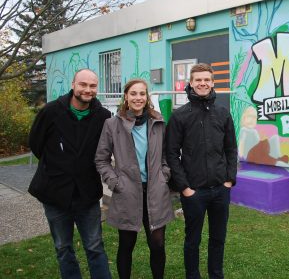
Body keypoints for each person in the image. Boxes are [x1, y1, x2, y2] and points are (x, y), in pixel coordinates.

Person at [28, 68, 112, 279]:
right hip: (55, 193)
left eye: (92, 86)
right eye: (83, 84)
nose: (88, 89)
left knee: (94, 246)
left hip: (87, 194)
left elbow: (107, 149)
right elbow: (36, 144)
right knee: (63, 248)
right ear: (73, 85)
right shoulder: (50, 112)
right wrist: (59, 165)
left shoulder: (103, 117)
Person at [95, 78, 174, 279]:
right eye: (133, 94)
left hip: (155, 191)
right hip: (127, 192)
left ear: (147, 97)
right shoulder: (112, 124)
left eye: (142, 94)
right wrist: (114, 182)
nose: (138, 98)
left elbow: (166, 154)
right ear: (126, 97)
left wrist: (164, 174)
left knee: (157, 244)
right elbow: (101, 159)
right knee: (126, 244)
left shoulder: (158, 121)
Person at [166, 63, 238, 279]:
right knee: (192, 240)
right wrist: (185, 188)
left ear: (213, 82)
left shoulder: (223, 113)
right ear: (191, 83)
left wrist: (229, 180)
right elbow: (171, 154)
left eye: (207, 80)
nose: (203, 83)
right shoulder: (180, 116)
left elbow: (231, 148)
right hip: (194, 192)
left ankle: (216, 275)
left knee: (218, 239)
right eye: (198, 80)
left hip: (220, 189)